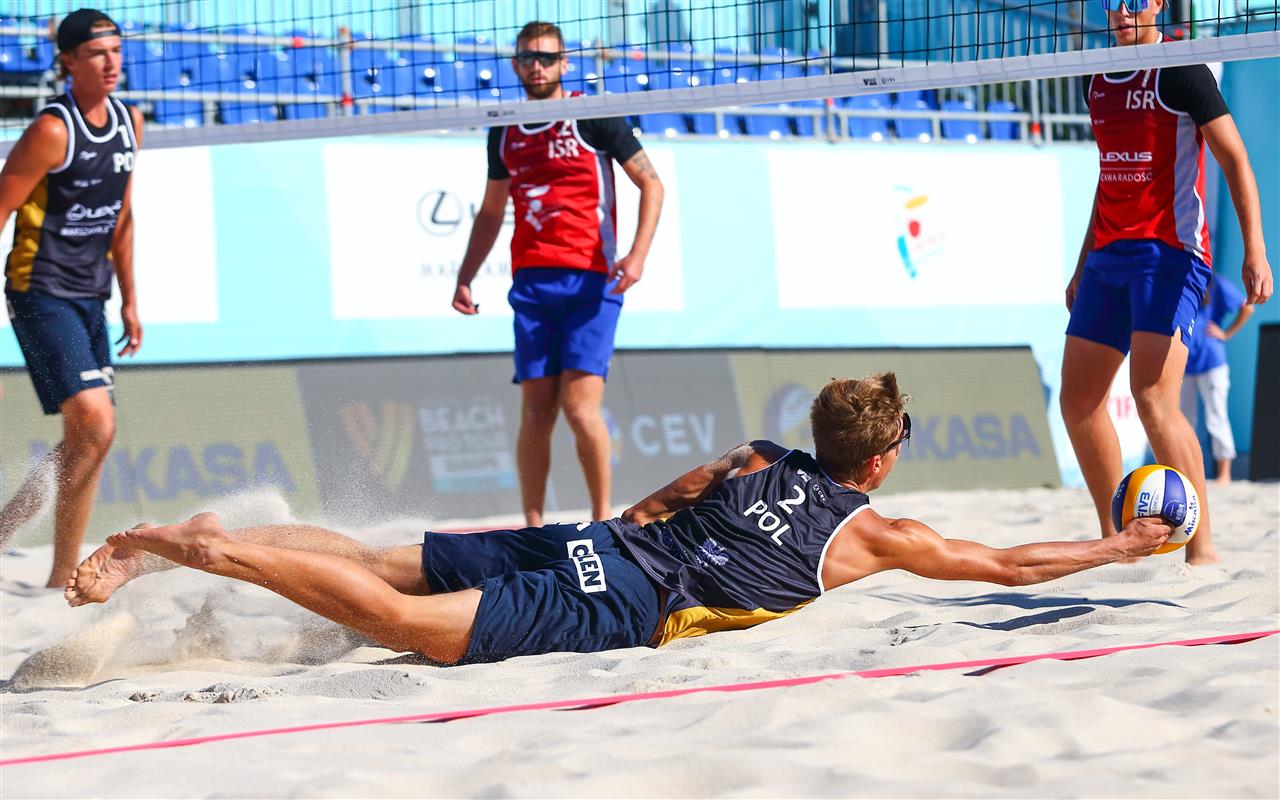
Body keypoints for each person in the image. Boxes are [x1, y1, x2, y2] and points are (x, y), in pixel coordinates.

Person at [65, 374, 1175, 666]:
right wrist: (1121, 544)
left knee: (378, 560)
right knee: (411, 627)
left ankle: (205, 537)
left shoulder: (754, 452)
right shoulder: (876, 533)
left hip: (599, 543)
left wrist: (615, 536)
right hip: (626, 599)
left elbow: (660, 499)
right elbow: (1008, 564)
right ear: (879, 461)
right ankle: (195, 546)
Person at [1060, 0, 1272, 565]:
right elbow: (1108, 178)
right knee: (1078, 400)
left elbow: (1235, 159)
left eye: (1136, 1)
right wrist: (1082, 264)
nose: (1122, 11)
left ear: (1157, 4)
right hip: (1108, 256)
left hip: (1171, 254)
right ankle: (1120, 542)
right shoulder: (1095, 75)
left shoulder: (1181, 68)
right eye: (1112, 1)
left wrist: (1255, 249)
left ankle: (1202, 552)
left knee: (1154, 397)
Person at [451, 21, 664, 528]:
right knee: (536, 410)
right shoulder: (505, 129)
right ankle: (533, 526)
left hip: (593, 281)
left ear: (564, 64)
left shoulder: (591, 114)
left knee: (579, 407)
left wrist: (637, 256)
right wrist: (465, 276)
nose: (537, 66)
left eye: (546, 58)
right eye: (528, 58)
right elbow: (491, 210)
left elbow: (652, 185)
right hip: (532, 283)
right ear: (515, 65)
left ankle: (603, 523)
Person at [0, 9, 143, 587]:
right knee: (97, 425)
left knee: (87, 437)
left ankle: (3, 533)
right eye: (96, 53)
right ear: (68, 63)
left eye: (116, 50)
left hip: (91, 295)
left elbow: (122, 216)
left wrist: (130, 298)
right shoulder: (53, 130)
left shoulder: (130, 121)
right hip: (39, 289)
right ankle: (62, 577)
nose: (111, 62)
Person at [1181, 276, 1252, 484]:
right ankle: (1187, 473)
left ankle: (1224, 474)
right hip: (1184, 362)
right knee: (1184, 420)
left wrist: (1226, 333)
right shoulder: (1180, 278)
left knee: (1216, 416)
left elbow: (1247, 308)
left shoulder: (1216, 282)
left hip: (1212, 361)